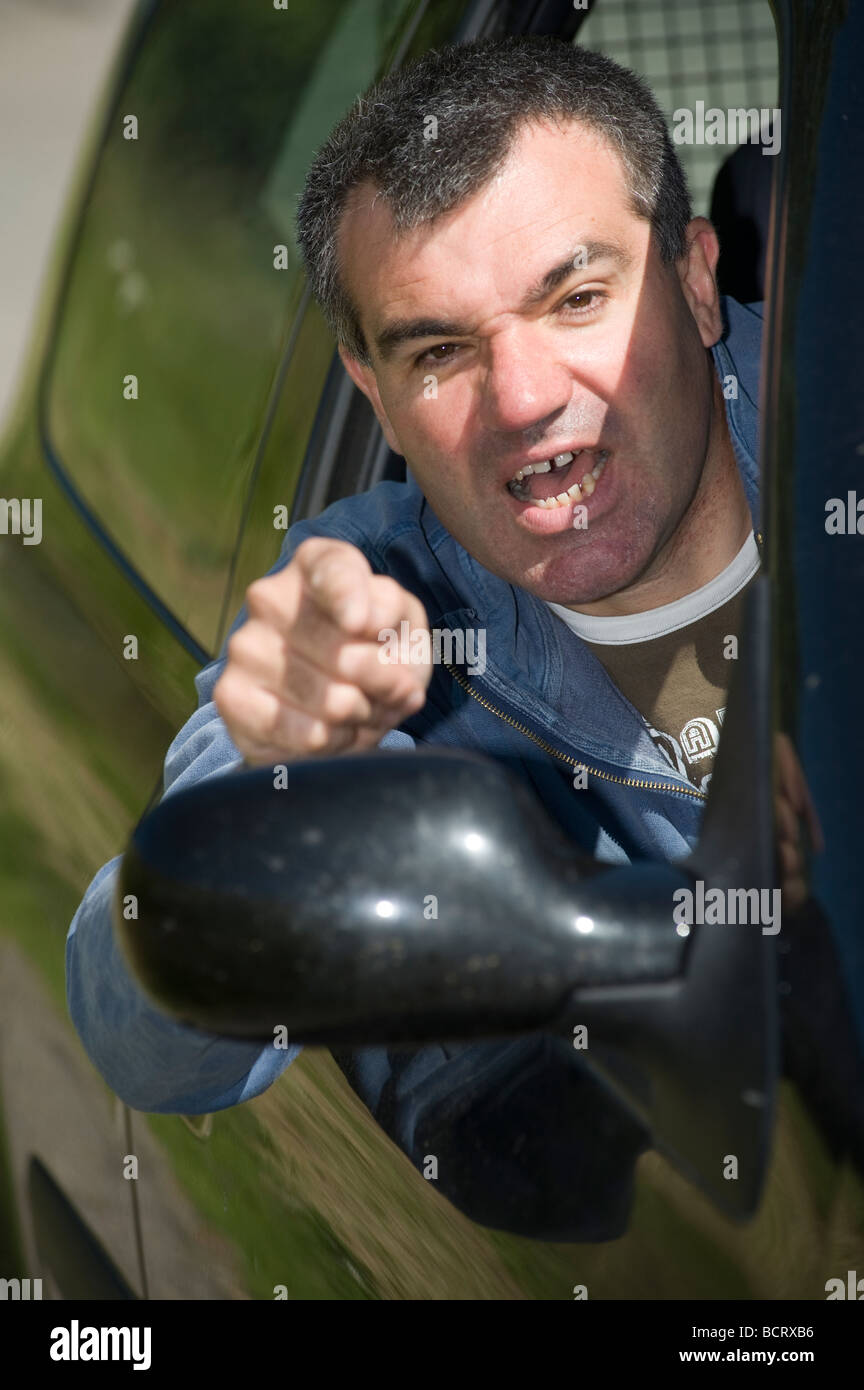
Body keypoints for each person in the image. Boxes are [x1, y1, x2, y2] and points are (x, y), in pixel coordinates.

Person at [66, 37, 784, 1241]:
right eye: (440, 350)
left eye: (578, 297)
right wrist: (280, 769)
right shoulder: (374, 597)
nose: (522, 399)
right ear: (368, 383)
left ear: (699, 280)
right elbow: (138, 1020)